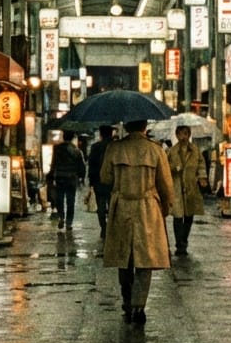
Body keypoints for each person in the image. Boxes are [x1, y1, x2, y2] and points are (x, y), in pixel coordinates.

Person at [102, 120, 174, 325]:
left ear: (127, 126)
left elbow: (105, 178)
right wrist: (166, 208)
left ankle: (126, 300)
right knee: (146, 259)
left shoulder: (114, 148)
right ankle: (139, 305)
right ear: (144, 127)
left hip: (122, 206)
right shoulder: (155, 150)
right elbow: (166, 185)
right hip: (147, 207)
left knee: (124, 257)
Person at [166, 125, 208, 256]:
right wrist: (174, 168)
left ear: (189, 135)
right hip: (177, 187)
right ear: (177, 135)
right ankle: (180, 245)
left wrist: (202, 178)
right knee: (178, 216)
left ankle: (184, 241)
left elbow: (201, 165)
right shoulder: (172, 151)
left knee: (189, 216)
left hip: (191, 187)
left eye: (185, 134)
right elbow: (165, 168)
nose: (183, 137)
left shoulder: (195, 150)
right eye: (180, 134)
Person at [48, 131, 86, 230]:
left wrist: (51, 175)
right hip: (71, 178)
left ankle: (61, 217)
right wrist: (82, 177)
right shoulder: (76, 150)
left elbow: (53, 163)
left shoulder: (57, 148)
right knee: (70, 201)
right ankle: (69, 223)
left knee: (59, 199)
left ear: (63, 137)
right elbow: (81, 166)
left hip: (60, 177)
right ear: (73, 138)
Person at [87, 125, 116, 238]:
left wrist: (91, 182)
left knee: (101, 206)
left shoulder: (95, 147)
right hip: (113, 181)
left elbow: (91, 165)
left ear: (100, 134)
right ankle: (111, 228)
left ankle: (103, 228)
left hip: (98, 181)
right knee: (113, 206)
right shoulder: (116, 146)